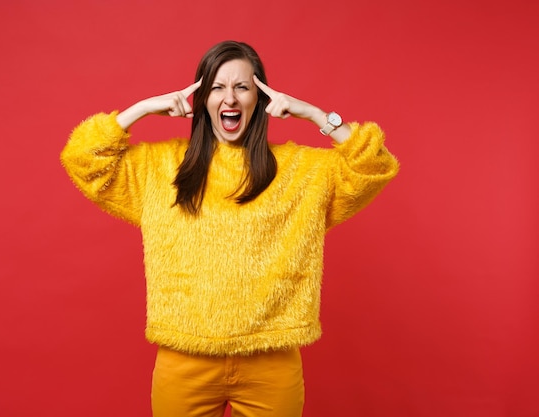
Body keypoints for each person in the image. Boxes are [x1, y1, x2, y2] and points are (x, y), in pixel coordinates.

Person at [60, 40, 399, 417]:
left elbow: (374, 165)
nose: (230, 99)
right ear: (201, 97)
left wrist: (316, 115)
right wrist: (142, 109)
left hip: (271, 360)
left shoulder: (302, 172)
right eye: (217, 87)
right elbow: (83, 160)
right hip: (184, 358)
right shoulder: (160, 167)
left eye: (242, 87)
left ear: (261, 98)